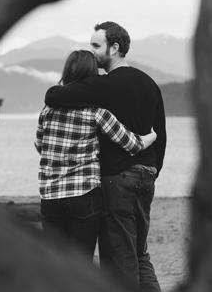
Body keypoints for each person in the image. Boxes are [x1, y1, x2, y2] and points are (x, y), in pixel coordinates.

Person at [45, 22, 166, 292]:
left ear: (115, 48)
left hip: (117, 179)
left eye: (96, 46)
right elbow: (160, 134)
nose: (92, 51)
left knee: (119, 259)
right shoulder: (150, 83)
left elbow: (53, 96)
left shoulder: (105, 84)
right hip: (146, 177)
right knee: (139, 254)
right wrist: (152, 171)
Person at [35, 49, 156, 263]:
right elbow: (132, 144)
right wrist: (152, 137)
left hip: (51, 196)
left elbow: (40, 145)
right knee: (81, 265)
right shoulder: (96, 112)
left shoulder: (47, 110)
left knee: (55, 264)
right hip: (84, 194)